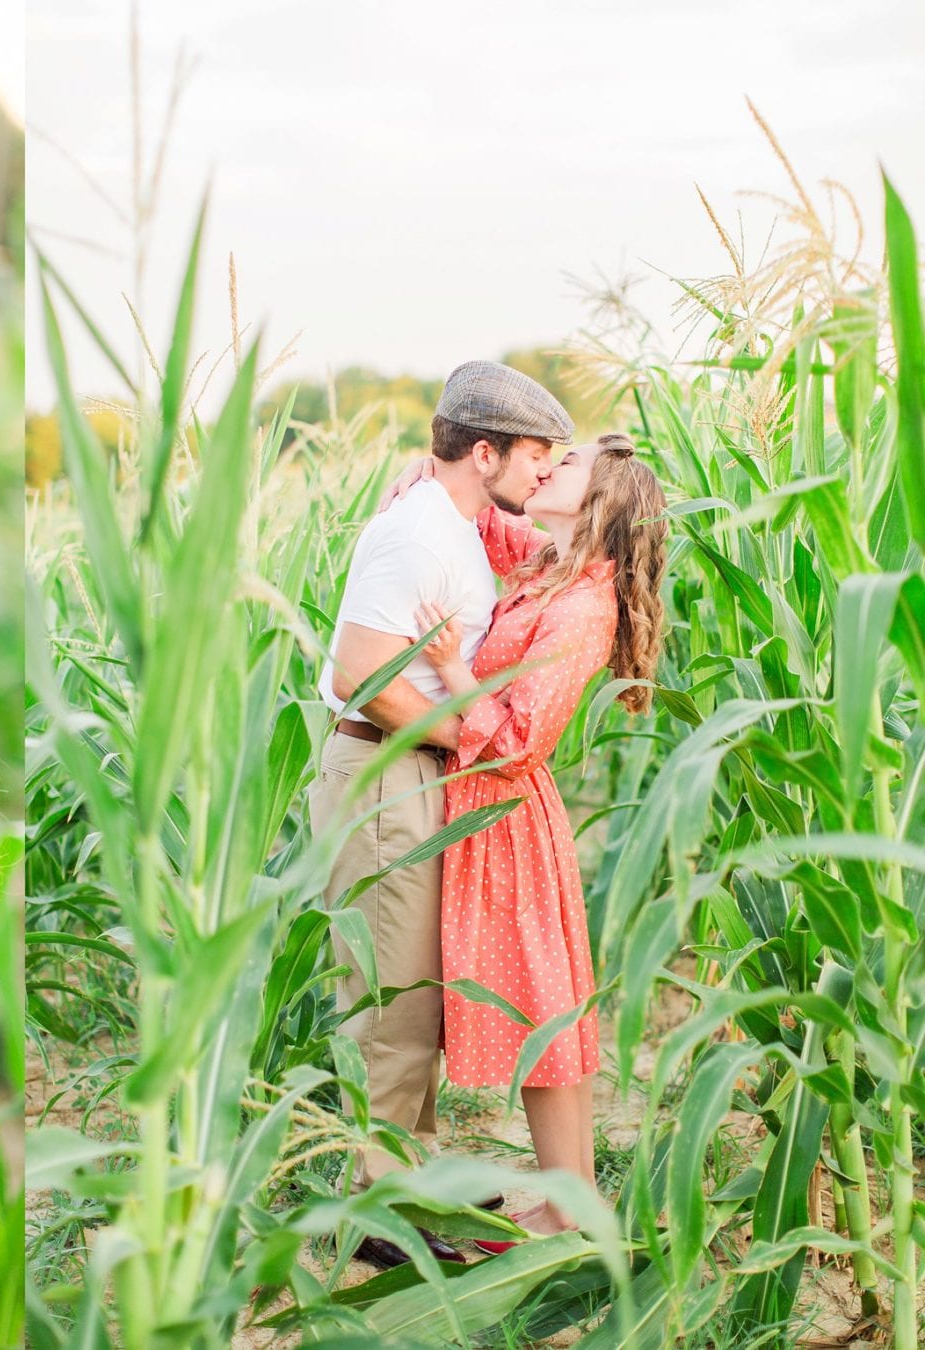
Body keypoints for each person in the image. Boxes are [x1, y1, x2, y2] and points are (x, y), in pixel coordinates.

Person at [309, 361, 573, 1270]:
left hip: (413, 775)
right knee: (394, 1003)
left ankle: (406, 1180)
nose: (547, 471)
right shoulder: (420, 534)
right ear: (487, 451)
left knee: (415, 991)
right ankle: (376, 1211)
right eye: (539, 455)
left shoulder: (457, 520)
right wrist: (466, 732)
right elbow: (358, 674)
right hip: (386, 772)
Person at [388, 433, 667, 1246]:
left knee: (543, 1017)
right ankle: (570, 1200)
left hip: (504, 817)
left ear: (601, 501)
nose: (547, 468)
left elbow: (517, 743)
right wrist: (430, 471)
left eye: (566, 465)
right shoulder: (555, 564)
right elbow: (482, 524)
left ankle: (568, 1207)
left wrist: (454, 668)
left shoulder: (584, 606)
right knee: (554, 1014)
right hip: (496, 817)